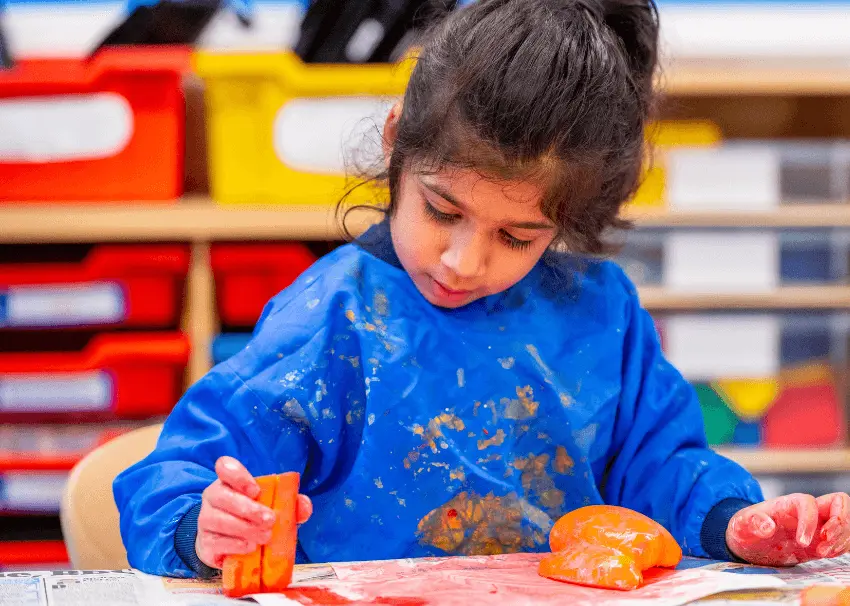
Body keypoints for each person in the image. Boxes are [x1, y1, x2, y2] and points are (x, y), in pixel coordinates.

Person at [114, 0, 850, 578]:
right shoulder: (331, 321)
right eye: (443, 211)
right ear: (396, 143)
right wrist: (204, 527)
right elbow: (174, 478)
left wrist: (732, 522)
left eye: (517, 236)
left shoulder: (600, 314)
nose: (464, 262)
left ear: (566, 221)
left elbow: (661, 467)